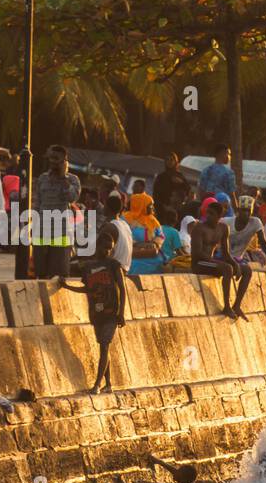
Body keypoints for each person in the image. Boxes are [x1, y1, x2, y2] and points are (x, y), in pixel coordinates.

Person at [61, 226, 126, 392]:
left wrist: (121, 313)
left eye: (110, 249)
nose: (107, 251)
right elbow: (87, 290)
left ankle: (97, 384)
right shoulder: (89, 267)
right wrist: (67, 287)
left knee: (104, 346)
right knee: (103, 347)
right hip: (97, 314)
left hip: (112, 313)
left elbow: (122, 289)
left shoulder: (114, 265)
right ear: (97, 246)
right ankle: (108, 384)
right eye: (105, 247)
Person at [191, 199, 252, 319]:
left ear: (220, 216)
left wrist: (236, 265)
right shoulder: (199, 228)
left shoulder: (223, 228)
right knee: (227, 268)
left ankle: (237, 306)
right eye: (207, 213)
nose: (207, 216)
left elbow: (226, 254)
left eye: (211, 214)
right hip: (199, 264)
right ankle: (226, 307)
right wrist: (220, 263)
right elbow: (197, 254)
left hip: (212, 263)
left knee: (247, 270)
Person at [32, 145, 82, 278]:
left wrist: (62, 177)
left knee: (59, 274)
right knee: (40, 272)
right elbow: (38, 203)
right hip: (42, 231)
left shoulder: (72, 180)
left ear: (65, 161)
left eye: (57, 158)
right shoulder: (42, 178)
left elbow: (72, 197)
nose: (53, 161)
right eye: (51, 158)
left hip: (62, 232)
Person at [124, 191, 166, 276]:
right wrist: (139, 245)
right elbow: (124, 236)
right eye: (150, 205)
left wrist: (155, 243)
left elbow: (161, 236)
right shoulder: (126, 218)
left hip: (151, 257)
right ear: (140, 205)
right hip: (133, 257)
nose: (152, 208)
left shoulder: (153, 220)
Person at [152, 152, 191, 220]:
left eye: (171, 160)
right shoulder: (161, 177)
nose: (169, 162)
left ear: (176, 162)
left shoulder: (180, 176)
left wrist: (181, 183)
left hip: (176, 211)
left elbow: (188, 190)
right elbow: (155, 195)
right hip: (162, 210)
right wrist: (164, 206)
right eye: (167, 160)